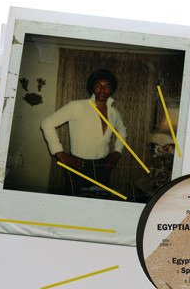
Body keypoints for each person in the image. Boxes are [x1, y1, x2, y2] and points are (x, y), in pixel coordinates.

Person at [41, 68, 126, 197]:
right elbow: (47, 124)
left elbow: (122, 130)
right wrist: (60, 153)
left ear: (112, 89)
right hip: (78, 165)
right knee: (76, 202)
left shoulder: (114, 113)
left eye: (107, 86)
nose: (102, 90)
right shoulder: (77, 106)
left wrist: (117, 152)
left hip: (103, 166)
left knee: (99, 202)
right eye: (98, 85)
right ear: (92, 87)